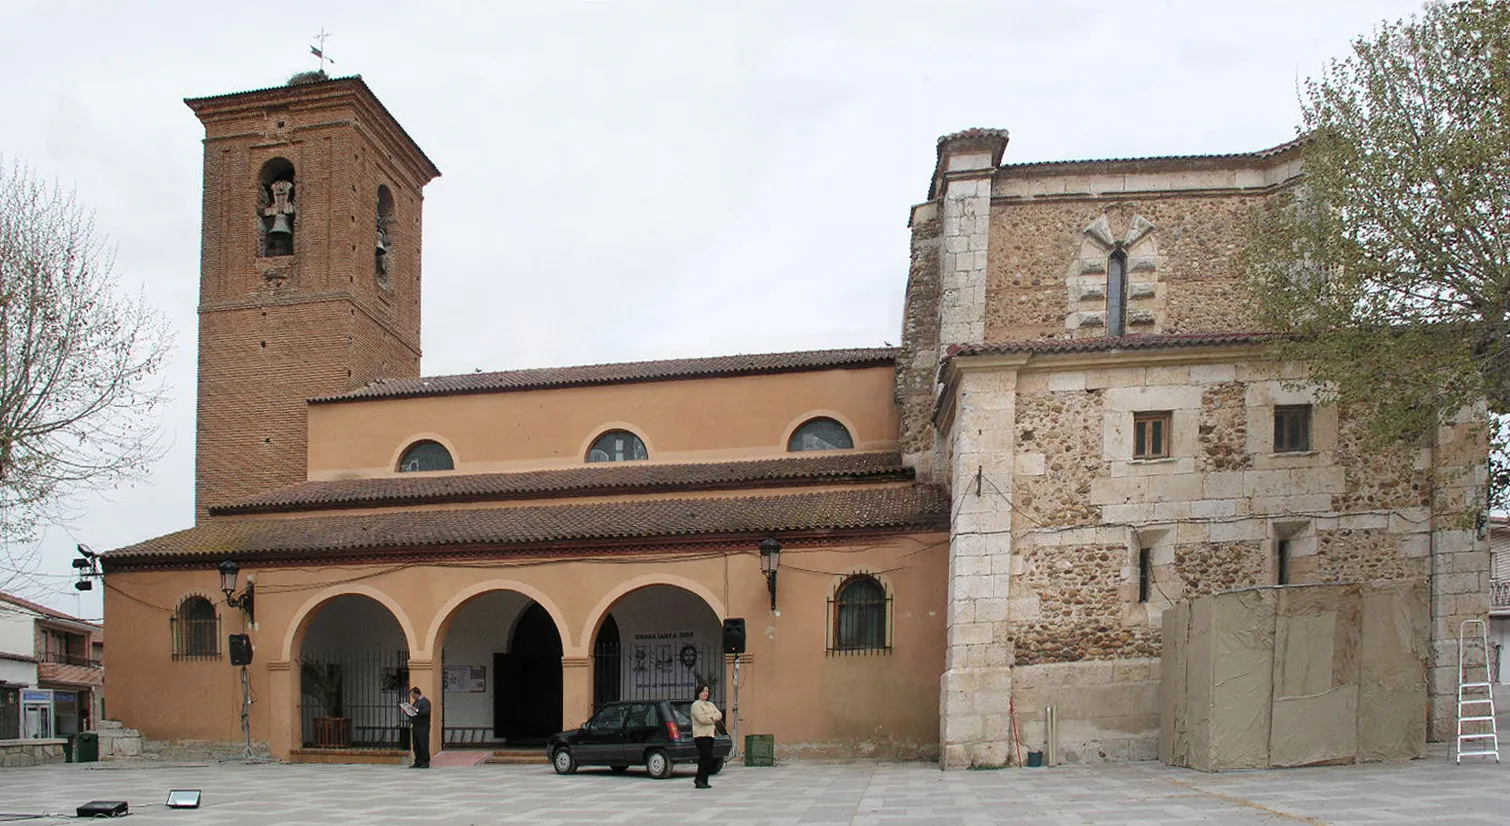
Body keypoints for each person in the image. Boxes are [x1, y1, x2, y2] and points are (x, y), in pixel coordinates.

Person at [689, 683, 722, 789]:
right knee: (707, 756)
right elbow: (701, 719)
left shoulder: (710, 704)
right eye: (703, 691)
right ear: (698, 693)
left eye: (707, 691)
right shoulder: (696, 705)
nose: (705, 693)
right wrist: (712, 718)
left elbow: (719, 714)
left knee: (705, 758)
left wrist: (711, 717)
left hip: (710, 734)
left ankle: (702, 780)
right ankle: (700, 778)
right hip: (700, 735)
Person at [406, 687, 431, 768]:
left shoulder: (425, 702)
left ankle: (425, 761)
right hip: (416, 726)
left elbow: (426, 713)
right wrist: (407, 711)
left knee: (423, 744)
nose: (412, 697)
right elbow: (412, 713)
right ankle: (418, 761)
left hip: (423, 727)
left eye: (413, 695)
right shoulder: (416, 702)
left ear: (417, 694)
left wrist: (416, 710)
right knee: (416, 745)